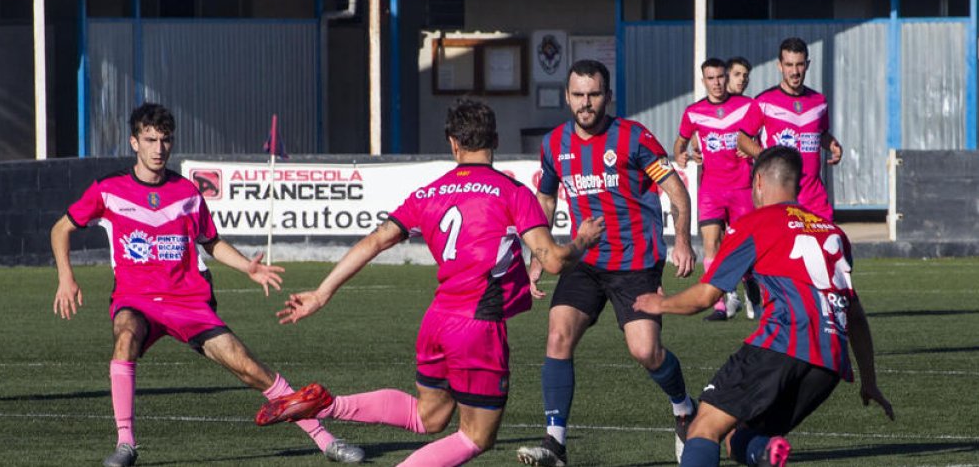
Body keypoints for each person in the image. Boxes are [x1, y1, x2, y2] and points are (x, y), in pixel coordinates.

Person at [254, 99, 603, 467]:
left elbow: (374, 241)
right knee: (476, 436)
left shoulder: (428, 193)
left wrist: (322, 293)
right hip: (477, 327)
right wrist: (580, 241)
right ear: (496, 140)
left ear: (453, 143)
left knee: (429, 416)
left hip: (437, 321)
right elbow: (552, 259)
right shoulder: (512, 192)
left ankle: (330, 404)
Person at [50, 103, 364, 467]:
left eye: (165, 140)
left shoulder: (186, 192)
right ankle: (125, 444)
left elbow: (210, 241)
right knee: (125, 338)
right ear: (134, 142)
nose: (158, 148)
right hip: (136, 299)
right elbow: (61, 228)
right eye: (150, 140)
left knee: (249, 367)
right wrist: (66, 277)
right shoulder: (108, 189)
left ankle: (326, 440)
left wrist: (249, 267)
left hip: (188, 302)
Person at [633, 146, 894, 467]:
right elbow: (853, 313)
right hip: (829, 364)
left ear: (757, 182)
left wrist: (659, 303)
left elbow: (705, 297)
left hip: (783, 344)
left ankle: (763, 451)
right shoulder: (833, 232)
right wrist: (869, 379)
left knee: (704, 426)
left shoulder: (754, 223)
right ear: (797, 184)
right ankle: (768, 454)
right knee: (739, 437)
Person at [517, 59, 697, 466]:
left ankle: (685, 409)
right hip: (585, 259)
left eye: (594, 94)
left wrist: (683, 239)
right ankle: (554, 442)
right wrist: (538, 257)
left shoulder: (634, 138)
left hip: (635, 263)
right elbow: (545, 200)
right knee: (558, 334)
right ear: (567, 97)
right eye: (578, 95)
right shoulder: (553, 144)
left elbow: (677, 192)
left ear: (607, 96)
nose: (586, 103)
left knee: (646, 352)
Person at [672, 58, 757, 322]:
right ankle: (721, 304)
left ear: (726, 77)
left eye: (721, 77)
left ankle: (751, 287)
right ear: (704, 80)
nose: (717, 83)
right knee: (711, 246)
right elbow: (680, 142)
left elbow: (763, 134)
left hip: (742, 187)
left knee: (745, 247)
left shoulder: (746, 106)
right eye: (711, 78)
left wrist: (753, 146)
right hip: (711, 190)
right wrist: (681, 155)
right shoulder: (694, 112)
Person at [739, 37, 843, 221]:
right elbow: (742, 138)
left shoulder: (819, 102)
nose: (794, 72)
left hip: (813, 196)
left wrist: (833, 145)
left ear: (807, 64)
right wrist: (765, 157)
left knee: (826, 246)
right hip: (778, 195)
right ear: (779, 66)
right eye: (789, 65)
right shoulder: (764, 101)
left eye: (799, 65)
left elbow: (822, 134)